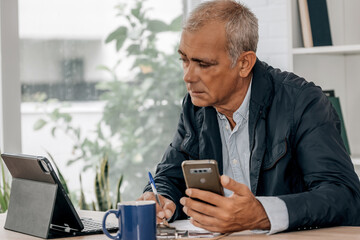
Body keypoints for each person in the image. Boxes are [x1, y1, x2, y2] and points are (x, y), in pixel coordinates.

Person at [138, 0, 360, 234]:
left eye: (203, 64)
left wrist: (262, 214)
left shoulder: (302, 103)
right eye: (184, 60)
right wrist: (160, 198)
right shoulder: (195, 108)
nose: (188, 76)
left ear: (244, 63)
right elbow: (169, 175)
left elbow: (345, 196)